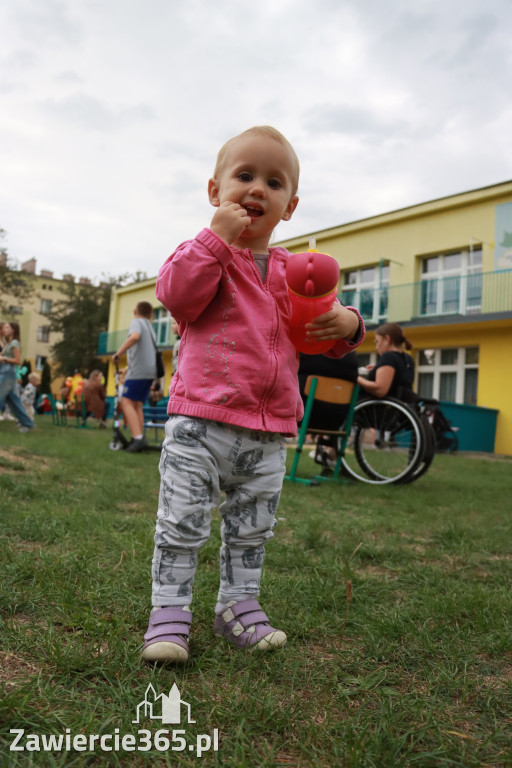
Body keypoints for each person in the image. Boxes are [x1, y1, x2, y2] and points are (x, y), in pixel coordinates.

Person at [141, 125, 365, 664]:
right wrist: (214, 240)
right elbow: (177, 294)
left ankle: (236, 607)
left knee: (252, 530)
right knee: (182, 523)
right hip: (201, 419)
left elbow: (326, 332)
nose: (257, 189)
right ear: (215, 192)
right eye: (244, 176)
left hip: (268, 431)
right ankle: (169, 615)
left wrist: (346, 321)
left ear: (290, 206)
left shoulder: (294, 273)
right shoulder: (203, 254)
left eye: (274, 181)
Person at [112, 301, 157, 453]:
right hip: (151, 371)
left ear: (135, 310)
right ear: (150, 315)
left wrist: (118, 353)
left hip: (138, 370)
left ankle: (137, 438)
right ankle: (139, 437)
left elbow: (134, 337)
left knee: (125, 402)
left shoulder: (136, 321)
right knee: (137, 404)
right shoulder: (151, 328)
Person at [357, 322, 415, 401]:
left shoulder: (389, 356)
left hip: (376, 409)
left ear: (387, 339)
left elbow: (380, 390)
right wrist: (378, 368)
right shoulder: (407, 358)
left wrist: (356, 378)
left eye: (377, 342)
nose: (376, 347)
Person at [0, 322, 36, 432]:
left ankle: (27, 423)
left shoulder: (15, 343)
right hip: (4, 371)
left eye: (8, 328)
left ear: (13, 330)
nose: (5, 329)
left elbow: (18, 361)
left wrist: (4, 359)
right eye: (4, 327)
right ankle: (28, 423)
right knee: (13, 401)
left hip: (8, 372)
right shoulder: (8, 343)